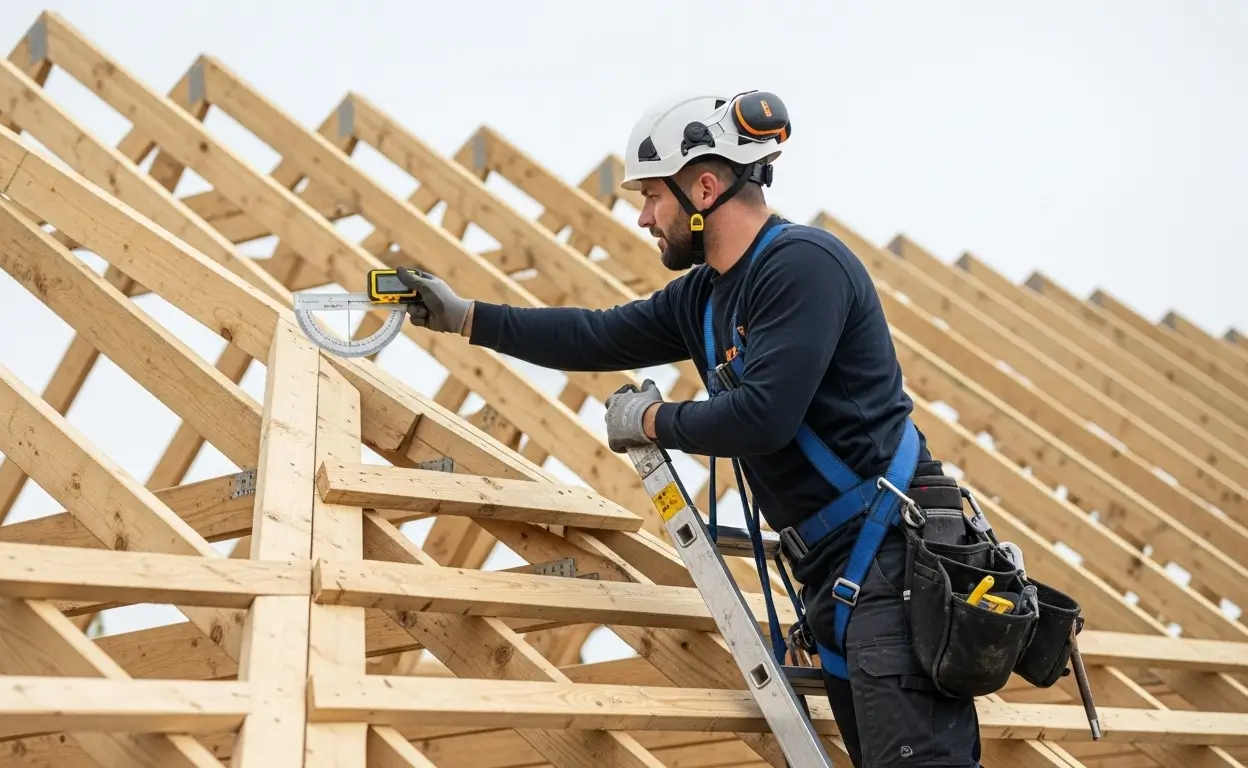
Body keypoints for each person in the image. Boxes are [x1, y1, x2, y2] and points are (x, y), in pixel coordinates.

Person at [396, 90, 983, 766]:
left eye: (652, 195)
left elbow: (764, 415)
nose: (644, 216)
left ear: (704, 186)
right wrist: (466, 316)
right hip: (840, 575)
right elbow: (597, 333)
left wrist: (650, 418)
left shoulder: (802, 267)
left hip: (891, 566)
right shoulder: (703, 295)